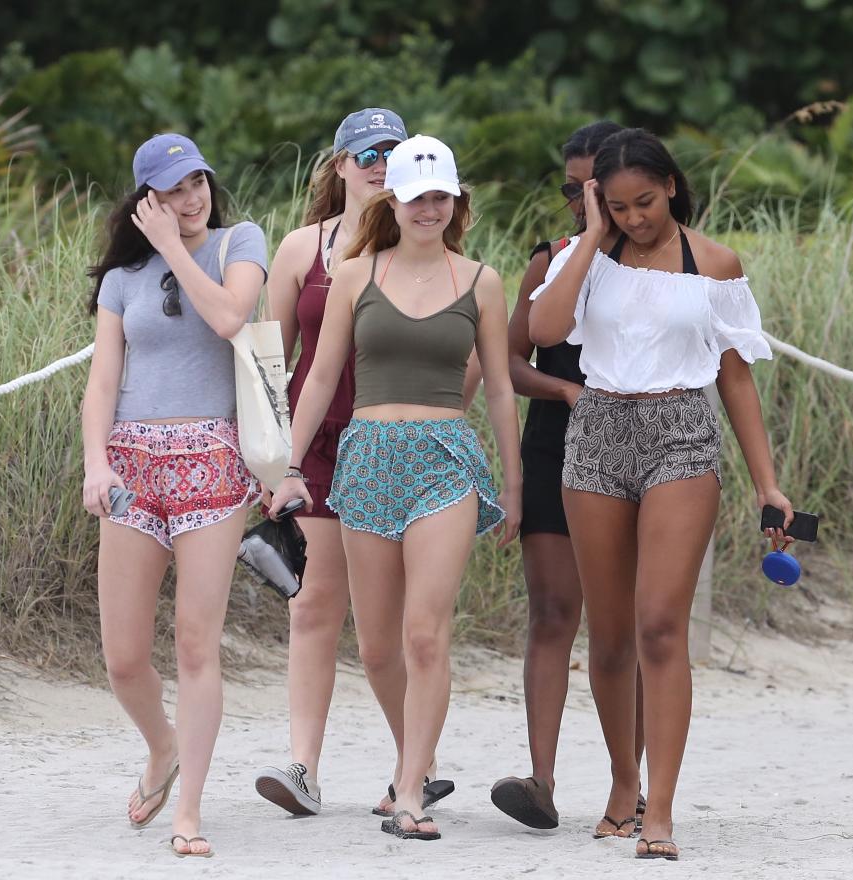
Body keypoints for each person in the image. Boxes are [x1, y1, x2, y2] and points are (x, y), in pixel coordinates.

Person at [528, 128, 793, 861]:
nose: (635, 217)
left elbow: (736, 376)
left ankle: (662, 811)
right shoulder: (586, 258)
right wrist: (590, 236)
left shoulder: (714, 265)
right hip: (598, 429)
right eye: (618, 205)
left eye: (645, 201)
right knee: (609, 639)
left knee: (658, 628)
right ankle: (623, 786)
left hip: (681, 430)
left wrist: (768, 483)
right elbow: (543, 328)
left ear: (671, 186)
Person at [269, 134, 522, 841]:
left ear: (457, 202)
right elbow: (318, 377)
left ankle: (410, 792)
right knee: (377, 646)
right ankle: (413, 770)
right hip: (367, 456)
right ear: (394, 201)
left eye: (442, 196)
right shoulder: (355, 274)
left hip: (444, 458)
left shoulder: (482, 280)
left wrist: (517, 483)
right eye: (416, 197)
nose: (429, 208)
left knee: (424, 633)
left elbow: (500, 390)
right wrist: (291, 468)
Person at [254, 108, 452, 817]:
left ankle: (415, 766)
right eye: (364, 151)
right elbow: (265, 359)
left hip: (397, 444)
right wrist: (272, 458)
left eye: (391, 151)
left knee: (391, 631)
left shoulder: (428, 240)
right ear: (337, 165)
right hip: (317, 443)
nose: (377, 161)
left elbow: (463, 353)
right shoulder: (301, 247)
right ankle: (303, 766)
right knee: (311, 606)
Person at [81, 133, 268, 859]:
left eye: (197, 184)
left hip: (213, 460)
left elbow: (229, 318)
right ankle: (163, 747)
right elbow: (102, 380)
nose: (189, 200)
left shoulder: (237, 242)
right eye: (172, 190)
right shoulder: (123, 277)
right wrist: (97, 463)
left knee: (196, 643)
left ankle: (188, 811)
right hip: (133, 461)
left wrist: (176, 245)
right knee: (123, 656)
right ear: (145, 199)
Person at [490, 120, 650, 837]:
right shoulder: (550, 258)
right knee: (554, 613)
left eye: (593, 188)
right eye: (570, 189)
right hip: (558, 443)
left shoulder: (665, 259)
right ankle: (542, 781)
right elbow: (511, 360)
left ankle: (633, 784)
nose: (581, 200)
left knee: (634, 626)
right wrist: (565, 393)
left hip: (642, 450)